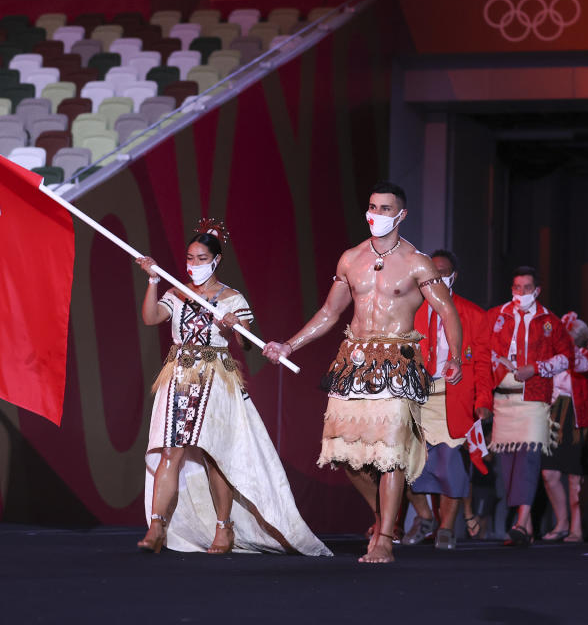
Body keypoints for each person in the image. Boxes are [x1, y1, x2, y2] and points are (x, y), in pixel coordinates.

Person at [263, 181, 464, 564]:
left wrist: (455, 354)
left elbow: (447, 311)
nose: (376, 214)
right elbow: (328, 313)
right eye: (372, 206)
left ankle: (386, 536)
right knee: (346, 454)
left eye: (386, 209)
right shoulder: (350, 258)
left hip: (397, 361)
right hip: (354, 361)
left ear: (401, 215)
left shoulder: (417, 262)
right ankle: (382, 515)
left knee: (390, 454)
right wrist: (290, 344)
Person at [135, 219, 331, 557]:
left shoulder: (231, 297)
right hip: (181, 375)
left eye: (200, 258)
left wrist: (235, 323)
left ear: (215, 260)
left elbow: (247, 344)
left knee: (215, 455)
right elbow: (151, 318)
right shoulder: (175, 291)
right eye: (189, 258)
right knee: (171, 450)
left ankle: (223, 530)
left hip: (216, 377)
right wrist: (153, 280)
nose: (192, 264)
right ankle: (156, 527)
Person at [473, 266, 573, 545]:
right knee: (508, 465)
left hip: (534, 399)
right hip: (503, 399)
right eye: (517, 288)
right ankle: (524, 525)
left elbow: (567, 357)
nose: (521, 293)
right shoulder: (496, 316)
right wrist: (483, 397)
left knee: (528, 459)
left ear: (537, 291)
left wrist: (537, 368)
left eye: (527, 288)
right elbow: (481, 356)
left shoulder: (549, 321)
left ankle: (520, 522)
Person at [403, 249, 485, 550]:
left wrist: (483, 401)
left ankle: (447, 527)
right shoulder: (411, 310)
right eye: (432, 272)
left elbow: (484, 365)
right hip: (417, 395)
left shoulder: (474, 315)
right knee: (405, 462)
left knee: (450, 465)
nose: (438, 278)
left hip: (453, 396)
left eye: (444, 272)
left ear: (454, 276)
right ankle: (424, 516)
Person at [539, 313, 588, 543]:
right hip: (554, 411)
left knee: (575, 475)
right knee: (549, 472)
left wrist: (562, 336)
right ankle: (561, 522)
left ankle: (576, 527)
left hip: (576, 415)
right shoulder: (555, 355)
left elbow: (580, 365)